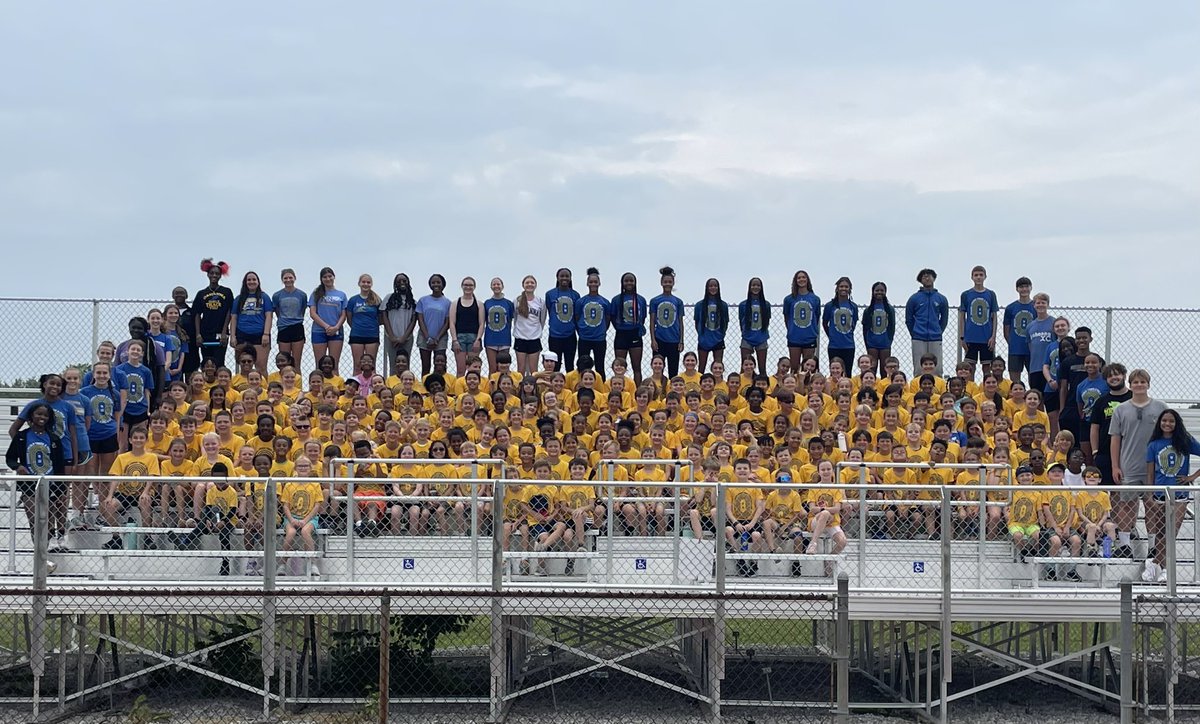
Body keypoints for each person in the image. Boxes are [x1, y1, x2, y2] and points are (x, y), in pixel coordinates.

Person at [1109, 368, 1169, 560]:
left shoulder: (1160, 408)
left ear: (1148, 385)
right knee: (1127, 504)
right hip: (1129, 465)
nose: (1139, 385)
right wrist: (1115, 466)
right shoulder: (1121, 409)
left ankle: (1153, 546)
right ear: (1130, 384)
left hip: (1154, 467)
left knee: (1152, 505)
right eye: (1135, 382)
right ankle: (1125, 544)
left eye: (1142, 382)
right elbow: (1115, 439)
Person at [1143, 409, 1200, 583]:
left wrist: (1192, 477)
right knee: (1161, 532)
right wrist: (1150, 493)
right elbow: (1150, 473)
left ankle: (1163, 567)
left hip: (1180, 494)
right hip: (1161, 493)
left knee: (1171, 532)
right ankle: (1156, 564)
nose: (1167, 424)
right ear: (1160, 423)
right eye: (1164, 421)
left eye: (1171, 421)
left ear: (1177, 423)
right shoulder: (1153, 445)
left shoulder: (1185, 441)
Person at [5, 402, 69, 552]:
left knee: (49, 514)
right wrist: (18, 466)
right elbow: (10, 458)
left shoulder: (53, 439)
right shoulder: (22, 437)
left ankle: (52, 542)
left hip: (50, 483)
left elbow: (59, 465)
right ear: (31, 416)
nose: (42, 417)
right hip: (29, 485)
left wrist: (61, 488)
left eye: (45, 415)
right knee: (34, 518)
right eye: (38, 414)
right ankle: (39, 548)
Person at [905, 268, 949, 376]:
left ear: (934, 278)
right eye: (924, 276)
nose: (927, 278)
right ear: (920, 280)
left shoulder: (941, 299)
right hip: (918, 337)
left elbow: (944, 319)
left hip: (935, 337)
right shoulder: (914, 298)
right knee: (919, 369)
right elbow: (909, 319)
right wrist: (915, 332)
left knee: (937, 369)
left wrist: (938, 331)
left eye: (929, 275)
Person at [191, 259, 235, 368]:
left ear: (220, 276)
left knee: (219, 362)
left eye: (217, 273)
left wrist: (224, 332)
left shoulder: (227, 292)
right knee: (206, 362)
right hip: (205, 332)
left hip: (220, 332)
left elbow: (230, 312)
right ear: (207, 274)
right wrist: (198, 334)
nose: (214, 275)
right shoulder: (201, 293)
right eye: (212, 273)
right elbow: (196, 314)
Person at [230, 270, 274, 374]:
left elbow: (269, 316)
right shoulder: (239, 298)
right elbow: (234, 317)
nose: (251, 282)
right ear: (245, 282)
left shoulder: (264, 297)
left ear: (258, 282)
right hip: (242, 335)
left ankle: (263, 389)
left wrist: (266, 334)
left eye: (254, 279)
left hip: (259, 335)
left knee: (261, 367)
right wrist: (232, 336)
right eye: (249, 280)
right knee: (244, 368)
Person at [611, 272, 648, 385]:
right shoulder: (616, 299)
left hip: (635, 334)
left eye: (631, 280)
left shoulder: (641, 299)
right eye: (626, 281)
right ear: (622, 283)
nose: (629, 283)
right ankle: (619, 389)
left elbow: (643, 317)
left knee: (636, 367)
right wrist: (620, 327)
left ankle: (638, 391)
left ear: (635, 282)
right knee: (619, 367)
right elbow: (612, 316)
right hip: (621, 333)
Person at [308, 266, 348, 372]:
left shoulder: (341, 295)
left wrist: (336, 327)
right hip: (319, 330)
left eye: (330, 276)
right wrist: (326, 326)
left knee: (333, 364)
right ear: (321, 279)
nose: (328, 279)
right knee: (320, 364)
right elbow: (312, 313)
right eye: (325, 277)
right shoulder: (316, 294)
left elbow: (344, 314)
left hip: (336, 331)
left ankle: (335, 387)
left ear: (334, 277)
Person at [959, 265, 999, 365]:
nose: (978, 277)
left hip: (986, 338)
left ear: (985, 277)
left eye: (981, 275)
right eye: (976, 275)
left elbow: (994, 317)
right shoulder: (966, 294)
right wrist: (962, 337)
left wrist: (993, 336)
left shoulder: (991, 294)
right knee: (970, 366)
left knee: (987, 367)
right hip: (971, 337)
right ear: (972, 277)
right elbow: (962, 317)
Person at [782, 270, 821, 374]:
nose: (801, 279)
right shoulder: (789, 299)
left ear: (807, 280)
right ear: (795, 281)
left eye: (804, 277)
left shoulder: (815, 299)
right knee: (794, 368)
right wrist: (791, 330)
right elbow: (786, 317)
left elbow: (816, 317)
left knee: (808, 368)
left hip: (809, 337)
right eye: (799, 278)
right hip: (794, 337)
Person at [271, 268, 308, 373]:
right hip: (283, 328)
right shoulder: (277, 295)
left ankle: (297, 386)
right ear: (282, 280)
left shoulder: (302, 295)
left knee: (296, 362)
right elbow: (277, 310)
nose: (288, 280)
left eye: (290, 277)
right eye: (285, 278)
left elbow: (303, 309)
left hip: (297, 327)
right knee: (284, 362)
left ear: (294, 278)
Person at [345, 273, 383, 374]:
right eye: (363, 282)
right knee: (358, 365)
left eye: (368, 282)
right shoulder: (353, 300)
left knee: (371, 365)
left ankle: (373, 388)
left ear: (371, 284)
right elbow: (349, 317)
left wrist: (371, 326)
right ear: (359, 283)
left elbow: (381, 318)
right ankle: (356, 388)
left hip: (372, 335)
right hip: (357, 335)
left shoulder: (377, 300)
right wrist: (357, 327)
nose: (366, 284)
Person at [576, 268, 610, 379]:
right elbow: (577, 318)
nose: (593, 284)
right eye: (591, 282)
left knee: (600, 366)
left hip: (599, 339)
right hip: (584, 338)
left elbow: (607, 319)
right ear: (587, 283)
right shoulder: (581, 301)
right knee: (583, 365)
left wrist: (602, 331)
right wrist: (581, 331)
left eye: (595, 282)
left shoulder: (604, 302)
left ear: (599, 283)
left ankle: (601, 389)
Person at [545, 268, 580, 374]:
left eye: (567, 276)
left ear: (570, 278)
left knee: (570, 365)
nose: (564, 278)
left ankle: (569, 389)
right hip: (555, 336)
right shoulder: (550, 294)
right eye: (562, 276)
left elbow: (577, 315)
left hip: (570, 335)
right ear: (557, 278)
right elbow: (549, 309)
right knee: (555, 366)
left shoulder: (575, 295)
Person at [448, 276, 485, 375]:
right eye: (466, 285)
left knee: (473, 369)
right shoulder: (455, 303)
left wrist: (478, 340)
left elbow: (482, 324)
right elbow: (452, 323)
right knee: (461, 369)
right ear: (462, 286)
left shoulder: (479, 304)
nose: (468, 287)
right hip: (460, 338)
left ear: (474, 287)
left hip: (474, 338)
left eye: (470, 285)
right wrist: (454, 340)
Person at [382, 273, 418, 370]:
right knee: (394, 365)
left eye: (404, 281)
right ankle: (393, 385)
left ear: (408, 283)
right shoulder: (389, 298)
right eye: (399, 281)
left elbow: (413, 321)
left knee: (405, 365)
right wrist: (392, 337)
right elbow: (384, 316)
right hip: (390, 337)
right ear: (395, 284)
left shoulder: (413, 302)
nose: (402, 283)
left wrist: (404, 338)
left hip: (407, 338)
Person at [512, 274, 546, 376]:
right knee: (521, 370)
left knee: (533, 370)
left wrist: (536, 331)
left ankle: (534, 391)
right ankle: (520, 391)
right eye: (527, 282)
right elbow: (515, 318)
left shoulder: (540, 302)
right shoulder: (517, 301)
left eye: (532, 282)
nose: (529, 284)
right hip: (520, 338)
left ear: (535, 285)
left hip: (534, 338)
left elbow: (542, 320)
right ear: (523, 285)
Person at [1003, 277, 1036, 384]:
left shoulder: (1036, 306)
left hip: (1032, 349)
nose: (1024, 289)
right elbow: (1006, 330)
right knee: (1015, 380)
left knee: (1034, 378)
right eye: (1021, 287)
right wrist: (1012, 343)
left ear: (1031, 288)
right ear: (1017, 289)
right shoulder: (1011, 308)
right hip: (1015, 348)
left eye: (1026, 286)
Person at [694, 277, 729, 374]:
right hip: (704, 340)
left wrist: (720, 335)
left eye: (715, 286)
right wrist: (701, 335)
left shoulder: (723, 305)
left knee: (718, 367)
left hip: (718, 339)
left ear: (718, 288)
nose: (713, 288)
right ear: (707, 288)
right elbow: (697, 322)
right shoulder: (699, 305)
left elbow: (725, 322)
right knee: (701, 368)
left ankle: (719, 388)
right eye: (710, 286)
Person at [822, 277, 858, 373]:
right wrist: (831, 335)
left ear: (850, 289)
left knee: (847, 372)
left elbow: (853, 324)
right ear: (837, 288)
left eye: (846, 287)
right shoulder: (830, 305)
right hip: (834, 345)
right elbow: (825, 322)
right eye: (841, 286)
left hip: (849, 345)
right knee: (835, 372)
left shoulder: (853, 306)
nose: (843, 289)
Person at [737, 277, 771, 376]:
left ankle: (762, 387)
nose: (755, 287)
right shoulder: (743, 305)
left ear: (761, 287)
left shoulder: (766, 304)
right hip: (747, 338)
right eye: (753, 285)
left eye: (758, 285)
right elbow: (741, 322)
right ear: (749, 287)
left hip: (761, 338)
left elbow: (767, 321)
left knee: (762, 368)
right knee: (745, 367)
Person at [862, 282, 896, 379]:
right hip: (872, 343)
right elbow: (865, 328)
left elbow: (892, 326)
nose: (879, 292)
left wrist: (889, 341)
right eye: (877, 290)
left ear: (885, 292)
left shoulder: (889, 309)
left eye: (882, 290)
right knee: (872, 368)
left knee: (884, 370)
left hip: (885, 343)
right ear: (872, 292)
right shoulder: (868, 310)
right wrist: (867, 343)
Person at [1025, 293, 1055, 395]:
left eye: (1043, 302)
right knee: (1037, 397)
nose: (1040, 305)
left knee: (1051, 398)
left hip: (1051, 368)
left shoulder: (1053, 322)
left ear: (1048, 305)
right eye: (1038, 303)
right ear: (1034, 305)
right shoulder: (1030, 326)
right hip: (1035, 368)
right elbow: (1030, 346)